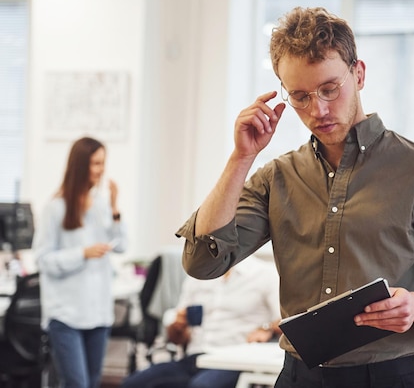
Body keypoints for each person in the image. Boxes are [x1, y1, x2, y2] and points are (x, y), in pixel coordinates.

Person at [176, 6, 414, 388]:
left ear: (358, 73)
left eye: (329, 89)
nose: (318, 110)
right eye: (300, 97)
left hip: (389, 378)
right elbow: (202, 262)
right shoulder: (277, 177)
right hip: (298, 378)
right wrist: (241, 158)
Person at [34, 136, 128, 388]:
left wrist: (115, 208)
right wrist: (82, 253)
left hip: (98, 314)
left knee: (93, 381)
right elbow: (42, 260)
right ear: (80, 165)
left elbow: (121, 246)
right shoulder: (55, 208)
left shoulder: (100, 204)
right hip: (66, 315)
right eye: (96, 163)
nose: (101, 170)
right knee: (76, 383)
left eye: (103, 163)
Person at [120, 254, 280, 388]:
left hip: (234, 361)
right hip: (194, 358)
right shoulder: (199, 275)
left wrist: (266, 328)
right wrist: (177, 327)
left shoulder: (264, 274)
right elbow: (178, 338)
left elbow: (284, 319)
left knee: (200, 386)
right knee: (133, 383)